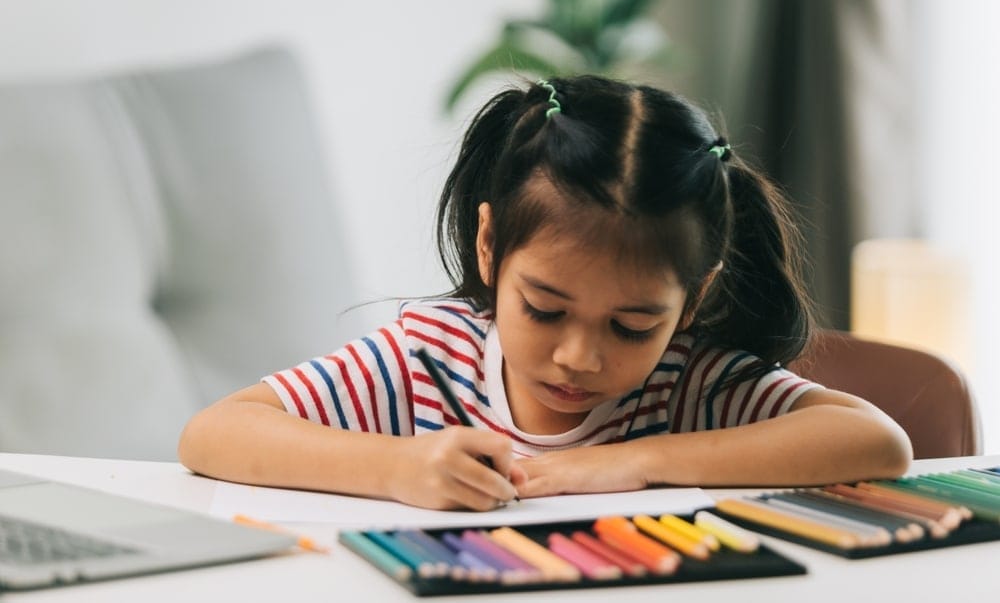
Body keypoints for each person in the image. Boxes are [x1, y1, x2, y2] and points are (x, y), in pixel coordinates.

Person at [178, 75, 912, 511]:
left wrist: (635, 461)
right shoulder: (431, 361)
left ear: (690, 303)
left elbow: (877, 440)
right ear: (491, 246)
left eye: (631, 325)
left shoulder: (687, 384)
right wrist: (396, 467)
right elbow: (213, 432)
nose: (578, 355)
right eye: (545, 308)